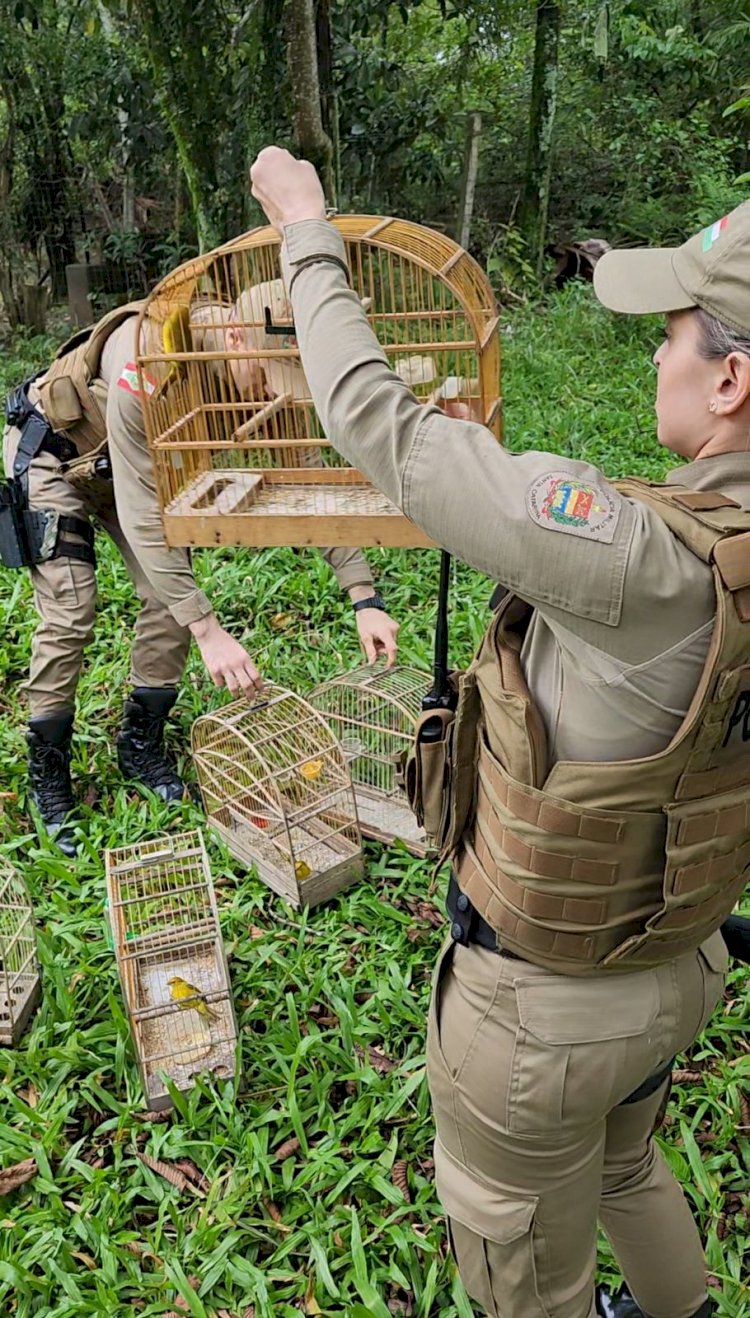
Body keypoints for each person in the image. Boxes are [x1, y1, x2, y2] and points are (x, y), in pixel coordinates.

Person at [249, 148, 750, 1318]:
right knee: (626, 1163)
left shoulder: (641, 558)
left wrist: (307, 229)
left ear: (733, 381)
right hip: (678, 963)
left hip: (546, 1018)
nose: (656, 353)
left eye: (673, 333)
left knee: (525, 1262)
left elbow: (374, 421)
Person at [1, 289, 399, 857]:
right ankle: (49, 773)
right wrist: (209, 632)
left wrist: (364, 596)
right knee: (72, 607)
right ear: (236, 335)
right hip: (55, 455)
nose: (270, 391)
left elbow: (306, 478)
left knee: (167, 599)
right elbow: (142, 514)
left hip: (125, 467)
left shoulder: (253, 365)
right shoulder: (152, 362)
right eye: (267, 375)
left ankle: (140, 745)